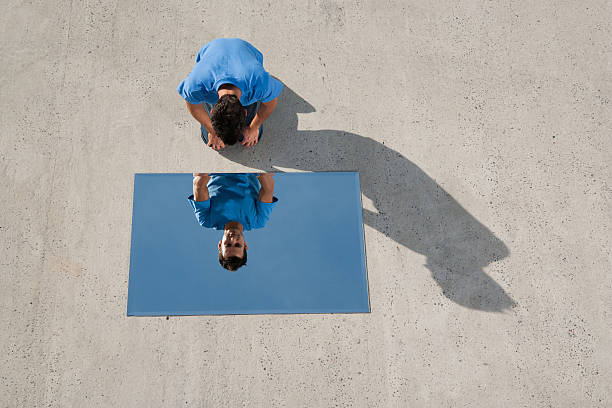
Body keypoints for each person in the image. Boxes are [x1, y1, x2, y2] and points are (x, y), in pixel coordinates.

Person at [178, 38, 283, 150]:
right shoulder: (196, 85)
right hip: (213, 49)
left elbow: (271, 103)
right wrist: (212, 131)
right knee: (207, 136)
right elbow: (192, 105)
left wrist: (253, 127)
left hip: (245, 50)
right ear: (244, 111)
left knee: (252, 134)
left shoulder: (259, 82)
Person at [189, 173, 277, 271]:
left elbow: (199, 185)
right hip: (248, 166)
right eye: (238, 245)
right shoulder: (258, 220)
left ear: (220, 244)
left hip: (217, 167)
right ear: (245, 245)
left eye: (228, 244)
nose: (233, 239)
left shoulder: (207, 219)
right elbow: (267, 189)